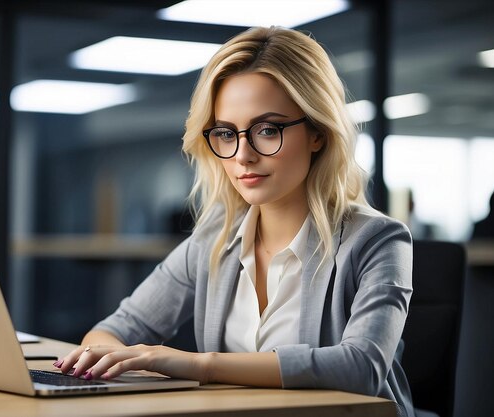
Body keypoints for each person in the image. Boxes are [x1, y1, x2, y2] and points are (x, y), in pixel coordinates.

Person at [55, 27, 414, 417]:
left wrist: (201, 365)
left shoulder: (377, 240)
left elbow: (361, 367)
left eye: (267, 130)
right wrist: (102, 355)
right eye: (226, 133)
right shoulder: (214, 241)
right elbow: (119, 329)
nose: (242, 155)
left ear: (318, 134)